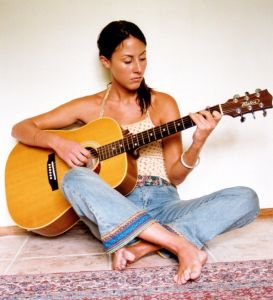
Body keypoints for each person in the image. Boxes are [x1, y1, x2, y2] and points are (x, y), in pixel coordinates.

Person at [11, 20, 260, 284]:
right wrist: (59, 143)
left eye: (143, 58)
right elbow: (21, 128)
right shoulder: (89, 106)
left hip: (164, 204)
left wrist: (198, 141)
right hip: (114, 207)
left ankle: (143, 244)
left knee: (246, 199)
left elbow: (175, 176)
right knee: (73, 178)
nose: (138, 69)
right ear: (106, 61)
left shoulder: (162, 103)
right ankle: (180, 244)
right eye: (128, 61)